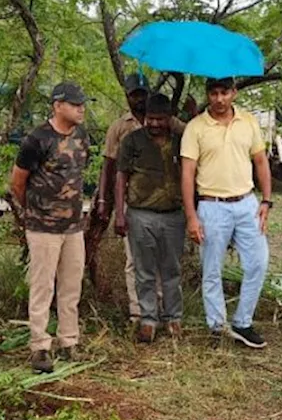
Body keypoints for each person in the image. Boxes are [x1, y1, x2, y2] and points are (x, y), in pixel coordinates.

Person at [180, 77, 273, 349]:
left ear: (233, 93)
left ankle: (243, 322)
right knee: (211, 269)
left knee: (258, 262)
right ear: (208, 94)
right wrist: (191, 217)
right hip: (211, 205)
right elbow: (187, 173)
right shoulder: (196, 127)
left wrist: (266, 201)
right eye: (214, 93)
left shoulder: (248, 122)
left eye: (224, 93)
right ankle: (217, 326)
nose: (219, 99)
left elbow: (260, 161)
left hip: (246, 203)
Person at [11, 82, 92, 373]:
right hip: (43, 227)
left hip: (73, 226)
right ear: (58, 106)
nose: (81, 108)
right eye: (74, 103)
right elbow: (17, 182)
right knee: (42, 286)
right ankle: (40, 346)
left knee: (71, 285)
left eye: (82, 103)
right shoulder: (38, 139)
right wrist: (33, 212)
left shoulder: (82, 136)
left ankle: (68, 341)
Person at [114, 93, 185, 343]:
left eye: (160, 119)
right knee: (143, 270)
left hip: (174, 215)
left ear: (169, 119)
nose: (155, 124)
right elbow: (121, 175)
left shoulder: (181, 140)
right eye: (150, 119)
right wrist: (119, 214)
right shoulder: (132, 140)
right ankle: (148, 319)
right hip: (140, 213)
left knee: (172, 269)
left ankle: (173, 317)